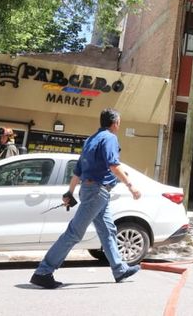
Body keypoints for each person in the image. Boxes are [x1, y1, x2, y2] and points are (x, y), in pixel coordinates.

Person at [30, 108, 142, 289]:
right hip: (97, 191)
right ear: (115, 123)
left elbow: (78, 170)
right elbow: (114, 165)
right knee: (74, 233)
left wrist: (70, 192)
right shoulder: (110, 138)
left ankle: (119, 269)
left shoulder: (91, 140)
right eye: (119, 123)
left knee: (108, 231)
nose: (119, 126)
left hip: (92, 190)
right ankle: (43, 271)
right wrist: (131, 186)